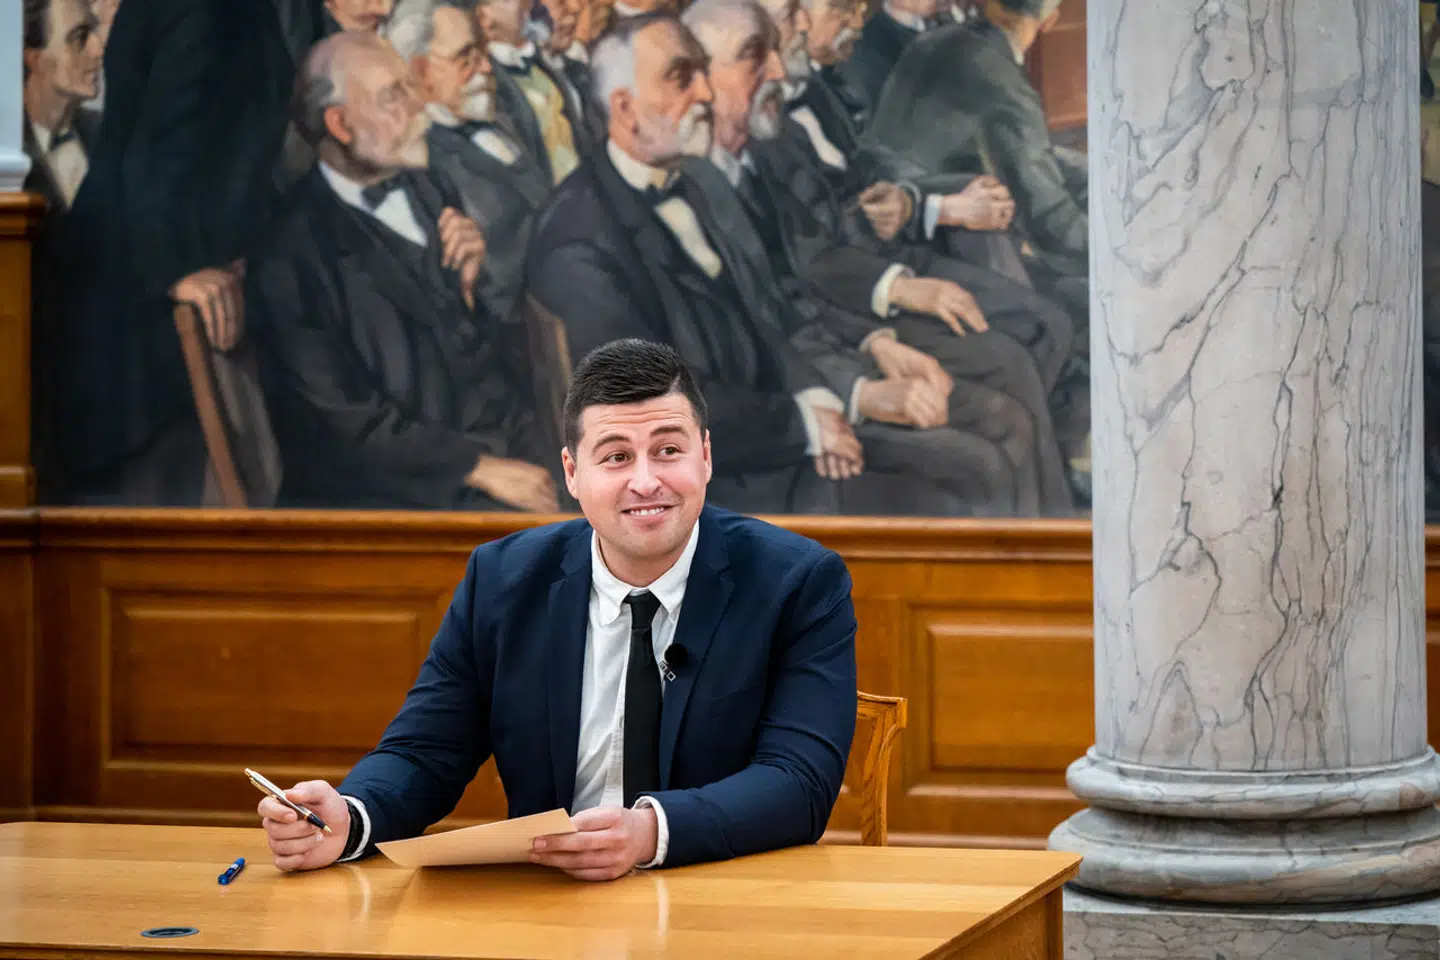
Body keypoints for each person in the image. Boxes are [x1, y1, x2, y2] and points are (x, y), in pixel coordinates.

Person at [256, 338, 860, 878]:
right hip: (548, 900)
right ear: (573, 472)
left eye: (668, 450)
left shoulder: (797, 582)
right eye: (616, 456)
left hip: (724, 896)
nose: (646, 481)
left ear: (704, 456)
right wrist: (352, 816)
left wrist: (650, 832)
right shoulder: (502, 581)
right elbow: (425, 751)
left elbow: (799, 783)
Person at [526, 12, 1030, 515]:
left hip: (780, 432)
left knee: (991, 435)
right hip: (719, 486)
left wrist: (832, 398)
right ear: (624, 108)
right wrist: (808, 424)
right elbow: (647, 410)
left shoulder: (693, 184)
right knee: (974, 470)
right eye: (681, 78)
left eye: (702, 72)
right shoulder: (578, 237)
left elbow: (766, 316)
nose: (704, 92)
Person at [686, 0, 1073, 513]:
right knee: (999, 411)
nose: (779, 63)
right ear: (699, 78)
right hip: (798, 402)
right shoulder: (700, 180)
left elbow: (802, 274)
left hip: (848, 322)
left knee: (1030, 349)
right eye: (760, 52)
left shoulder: (780, 125)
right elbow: (798, 285)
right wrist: (860, 380)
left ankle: (1056, 521)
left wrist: (913, 212)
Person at [246, 31, 557, 511]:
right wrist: (476, 467)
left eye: (413, 86)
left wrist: (471, 294)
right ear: (340, 124)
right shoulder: (288, 258)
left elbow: (484, 367)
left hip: (486, 452)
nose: (420, 105)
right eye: (394, 95)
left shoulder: (431, 190)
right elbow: (344, 428)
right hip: (383, 498)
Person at [867, 0, 1087, 277]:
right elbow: (1048, 221)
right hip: (939, 236)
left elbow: (1027, 155)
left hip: (886, 204)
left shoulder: (933, 41)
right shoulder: (1003, 81)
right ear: (1050, 21)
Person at [389, 0, 551, 320]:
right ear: (420, 71)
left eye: (483, 52)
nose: (486, 68)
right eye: (467, 58)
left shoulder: (502, 116)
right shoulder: (417, 166)